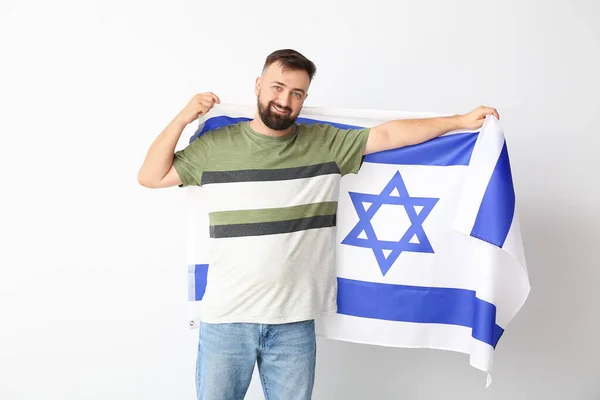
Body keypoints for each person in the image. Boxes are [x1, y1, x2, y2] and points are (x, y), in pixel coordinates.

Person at [138, 49, 499, 400]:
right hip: (226, 320)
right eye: (278, 87)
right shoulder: (215, 147)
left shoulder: (323, 144)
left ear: (304, 98)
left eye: (296, 93)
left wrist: (459, 121)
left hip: (294, 324)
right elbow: (151, 176)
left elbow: (388, 135)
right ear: (259, 85)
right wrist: (183, 117)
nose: (285, 100)